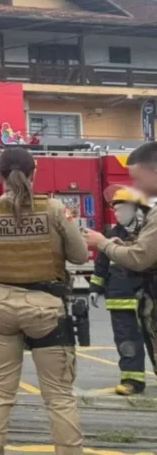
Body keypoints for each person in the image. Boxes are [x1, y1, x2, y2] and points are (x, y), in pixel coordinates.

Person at [0, 146, 89, 455]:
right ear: (36, 172)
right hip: (47, 308)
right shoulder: (58, 209)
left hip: (0, 307)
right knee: (59, 396)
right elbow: (80, 255)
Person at [83, 142, 157, 384]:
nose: (136, 186)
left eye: (138, 178)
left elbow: (140, 257)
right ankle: (132, 380)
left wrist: (103, 244)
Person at [88, 187, 153, 394]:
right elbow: (101, 265)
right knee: (126, 341)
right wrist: (94, 288)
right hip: (120, 298)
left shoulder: (149, 234)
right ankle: (132, 381)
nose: (118, 214)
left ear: (137, 210)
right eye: (116, 211)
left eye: (123, 209)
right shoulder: (111, 235)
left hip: (149, 296)